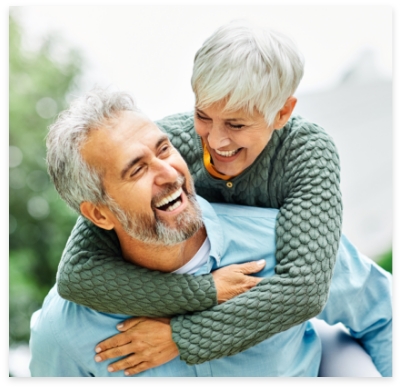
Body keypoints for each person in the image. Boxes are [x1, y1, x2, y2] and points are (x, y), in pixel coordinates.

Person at [29, 89, 392, 377]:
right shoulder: (64, 330)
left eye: (164, 149)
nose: (169, 173)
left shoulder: (282, 243)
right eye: (137, 170)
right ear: (99, 213)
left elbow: (386, 313)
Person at [54, 20, 344, 366]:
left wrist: (181, 336)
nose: (216, 140)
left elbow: (303, 291)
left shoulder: (307, 152)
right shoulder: (166, 146)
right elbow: (77, 274)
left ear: (282, 112)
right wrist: (205, 292)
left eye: (236, 124)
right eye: (203, 115)